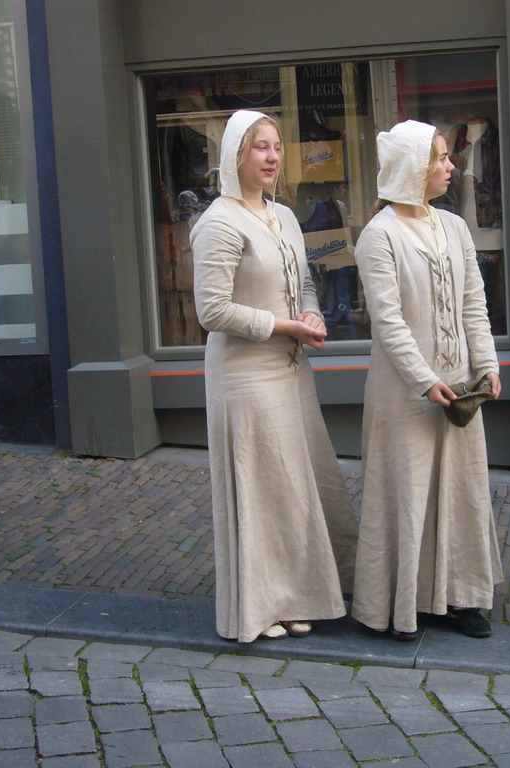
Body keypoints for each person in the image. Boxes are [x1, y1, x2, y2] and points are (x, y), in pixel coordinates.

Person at [190, 110, 357, 643]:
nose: (271, 156)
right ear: (236, 155)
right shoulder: (218, 221)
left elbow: (303, 282)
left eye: (278, 146)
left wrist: (309, 315)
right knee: (263, 489)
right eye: (259, 147)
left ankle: (302, 591)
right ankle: (262, 604)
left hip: (290, 371)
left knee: (297, 483)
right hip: (245, 376)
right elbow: (211, 311)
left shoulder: (284, 216)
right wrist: (280, 324)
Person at [351, 120, 503, 640]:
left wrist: (486, 364)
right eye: (440, 158)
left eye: (447, 157)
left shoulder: (455, 227)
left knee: (462, 491)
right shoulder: (379, 235)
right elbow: (387, 321)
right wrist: (423, 380)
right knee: (409, 491)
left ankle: (462, 597)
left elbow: (472, 304)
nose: (449, 166)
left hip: (460, 387)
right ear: (414, 167)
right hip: (404, 396)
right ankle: (405, 604)